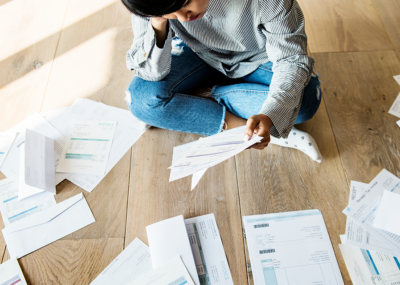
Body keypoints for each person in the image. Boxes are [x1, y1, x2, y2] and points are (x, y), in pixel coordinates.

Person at [122, 0, 322, 158]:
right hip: (198, 52)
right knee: (141, 100)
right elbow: (151, 73)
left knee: (305, 104)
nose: (183, 19)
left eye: (185, 4)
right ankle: (245, 130)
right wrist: (158, 21)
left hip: (259, 57)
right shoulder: (152, 5)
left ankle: (194, 101)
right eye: (169, 12)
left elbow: (291, 59)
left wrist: (270, 114)